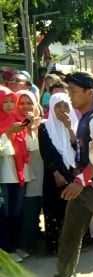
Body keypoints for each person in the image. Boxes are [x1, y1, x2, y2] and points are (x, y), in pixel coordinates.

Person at [37, 71, 93, 277]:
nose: (69, 96)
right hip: (85, 188)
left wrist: (80, 181)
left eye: (73, 91)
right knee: (71, 231)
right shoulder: (85, 117)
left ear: (89, 92)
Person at [39, 93, 78, 254]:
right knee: (55, 208)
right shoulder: (45, 127)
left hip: (72, 171)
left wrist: (69, 128)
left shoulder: (75, 124)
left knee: (72, 210)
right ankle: (55, 246)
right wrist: (55, 173)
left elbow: (78, 148)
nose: (62, 110)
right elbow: (46, 152)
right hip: (54, 173)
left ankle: (72, 246)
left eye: (65, 106)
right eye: (58, 106)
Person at [0, 86, 31, 262]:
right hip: (4, 174)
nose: (10, 105)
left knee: (17, 211)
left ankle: (14, 246)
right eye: (5, 102)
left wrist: (29, 128)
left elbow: (29, 147)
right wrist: (6, 133)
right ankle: (6, 250)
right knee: (5, 213)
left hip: (19, 173)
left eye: (12, 101)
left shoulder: (19, 119)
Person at [15, 90, 44, 258]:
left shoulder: (44, 124)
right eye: (22, 103)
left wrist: (31, 128)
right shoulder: (12, 124)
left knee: (31, 210)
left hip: (38, 174)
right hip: (19, 174)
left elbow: (33, 147)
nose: (26, 106)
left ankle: (26, 246)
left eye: (29, 103)